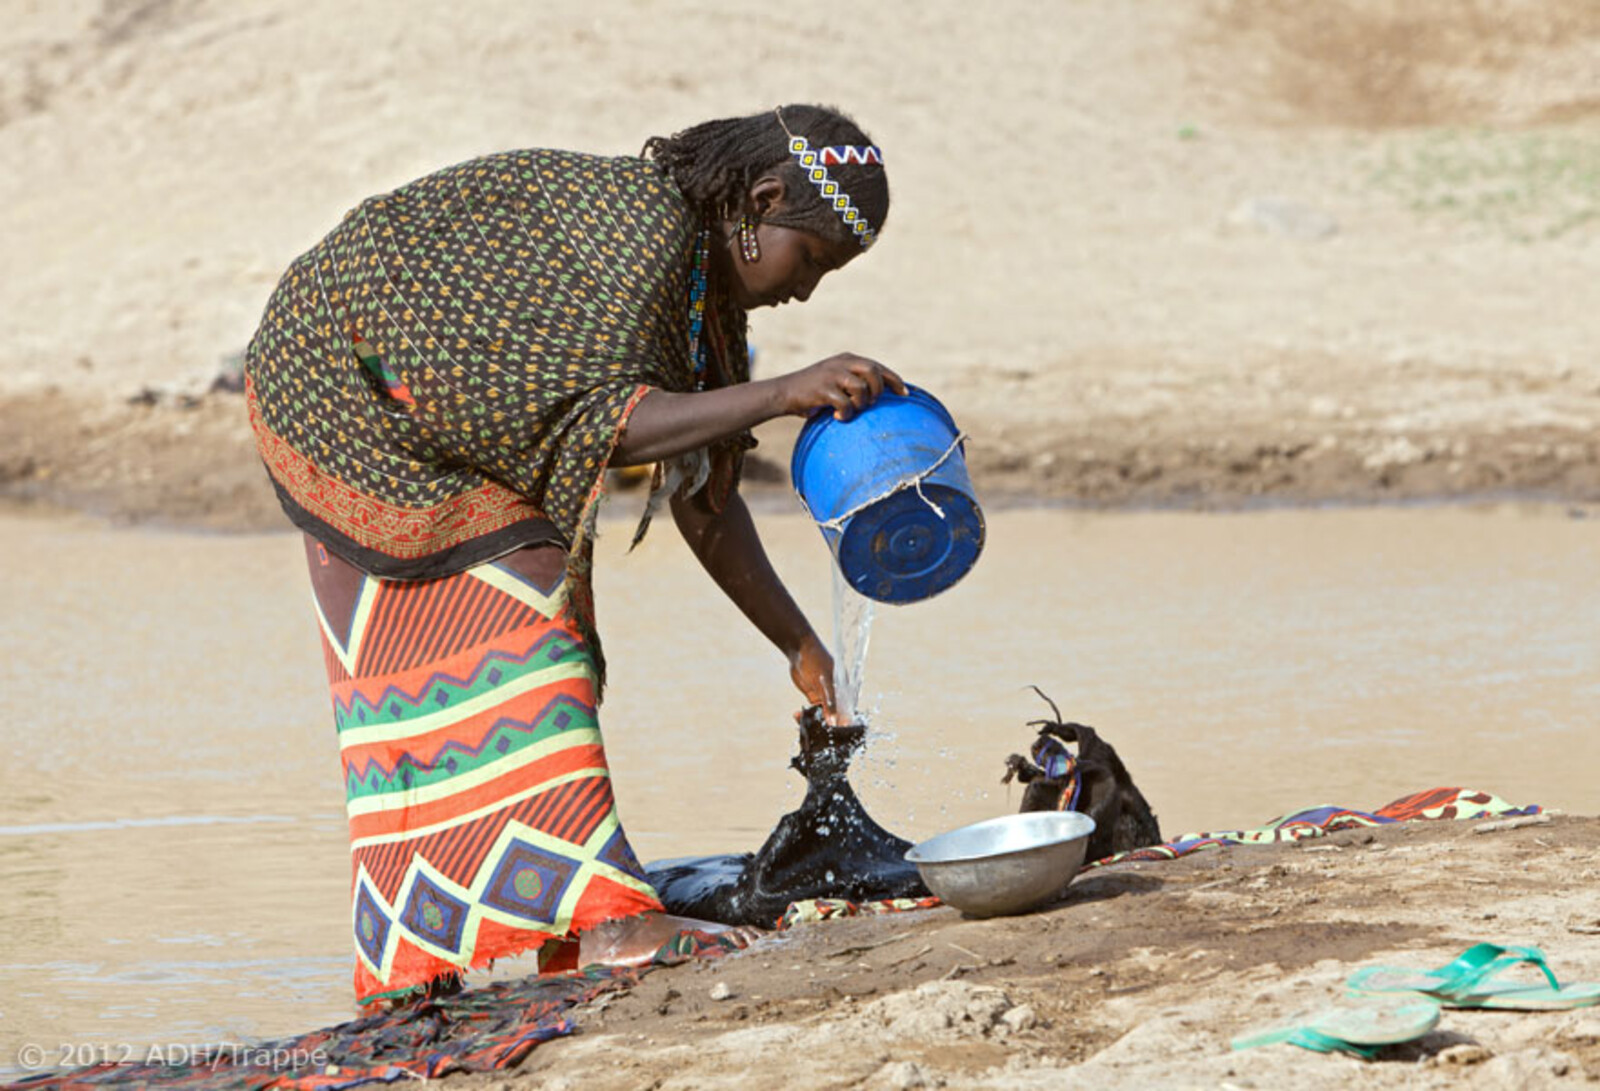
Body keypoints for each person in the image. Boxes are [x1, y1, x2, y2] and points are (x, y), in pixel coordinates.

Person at [243, 103, 904, 1004]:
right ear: (762, 199)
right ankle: (607, 927)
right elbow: (612, 428)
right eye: (814, 258)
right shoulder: (640, 239)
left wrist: (799, 647)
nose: (807, 291)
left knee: (462, 635)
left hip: (408, 394)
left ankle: (423, 948)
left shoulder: (700, 303)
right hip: (343, 382)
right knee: (523, 601)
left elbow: (704, 496)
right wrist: (786, 391)